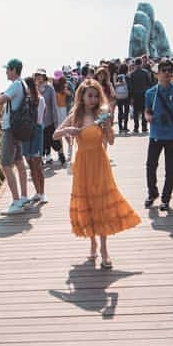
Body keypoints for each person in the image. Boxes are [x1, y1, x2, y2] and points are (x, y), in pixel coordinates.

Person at [52, 78, 140, 267]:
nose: (93, 99)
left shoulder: (102, 114)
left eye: (95, 96)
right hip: (83, 164)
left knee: (101, 203)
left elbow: (112, 141)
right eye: (89, 95)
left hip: (100, 163)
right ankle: (92, 244)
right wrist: (68, 129)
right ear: (82, 96)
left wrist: (108, 126)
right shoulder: (75, 115)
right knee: (88, 203)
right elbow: (55, 135)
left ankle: (104, 249)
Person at [0, 58, 31, 214]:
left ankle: (16, 201)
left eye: (7, 69)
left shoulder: (15, 85)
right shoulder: (23, 84)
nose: (6, 72)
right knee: (19, 162)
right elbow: (3, 97)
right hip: (18, 128)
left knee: (6, 165)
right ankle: (23, 197)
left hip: (10, 129)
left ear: (13, 70)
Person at [144, 58, 173, 210]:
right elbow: (147, 111)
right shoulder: (150, 93)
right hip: (155, 134)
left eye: (170, 70)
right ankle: (152, 193)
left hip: (171, 136)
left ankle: (166, 199)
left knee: (170, 168)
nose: (167, 73)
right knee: (150, 166)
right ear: (158, 73)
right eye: (164, 70)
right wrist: (149, 117)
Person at [21, 73, 47, 206]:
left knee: (37, 164)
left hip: (36, 132)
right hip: (26, 133)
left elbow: (40, 119)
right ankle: (38, 192)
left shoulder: (40, 99)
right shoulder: (24, 100)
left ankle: (42, 193)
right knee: (30, 165)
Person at [49, 71, 73, 166]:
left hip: (63, 111)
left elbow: (71, 95)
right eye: (55, 78)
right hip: (56, 111)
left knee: (66, 133)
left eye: (58, 78)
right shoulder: (52, 87)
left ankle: (70, 152)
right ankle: (61, 155)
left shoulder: (65, 86)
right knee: (59, 134)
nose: (56, 80)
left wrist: (65, 89)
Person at [37, 69, 58, 168]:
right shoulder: (35, 87)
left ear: (44, 76)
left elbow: (54, 105)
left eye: (40, 75)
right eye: (37, 75)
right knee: (41, 140)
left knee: (49, 138)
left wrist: (56, 121)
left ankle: (49, 157)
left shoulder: (50, 88)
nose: (38, 77)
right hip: (38, 119)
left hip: (49, 118)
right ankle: (41, 158)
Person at [127, 56, 153, 134]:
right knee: (144, 111)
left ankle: (136, 128)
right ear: (141, 63)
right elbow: (149, 84)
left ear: (135, 64)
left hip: (135, 95)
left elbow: (130, 87)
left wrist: (130, 97)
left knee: (135, 112)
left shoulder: (131, 74)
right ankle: (144, 127)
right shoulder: (145, 72)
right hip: (144, 94)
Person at [113, 64, 130, 134]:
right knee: (126, 111)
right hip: (126, 96)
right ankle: (125, 127)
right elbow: (130, 86)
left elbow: (115, 85)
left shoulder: (117, 76)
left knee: (120, 111)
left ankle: (120, 127)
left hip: (119, 96)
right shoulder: (127, 76)